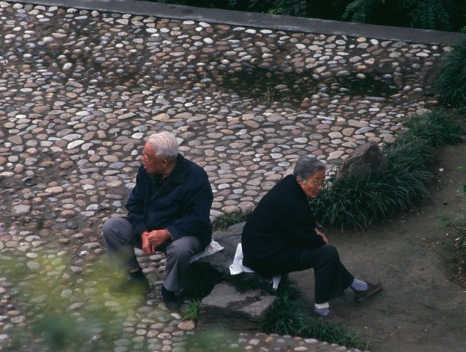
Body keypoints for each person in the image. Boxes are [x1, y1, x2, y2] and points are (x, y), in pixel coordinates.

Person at [241, 155, 381, 317]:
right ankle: (321, 308)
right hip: (264, 258)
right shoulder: (292, 203)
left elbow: (303, 224)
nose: (320, 186)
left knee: (324, 251)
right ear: (301, 180)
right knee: (327, 253)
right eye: (316, 181)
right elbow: (308, 239)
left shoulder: (289, 184)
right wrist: (319, 238)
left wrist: (314, 232)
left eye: (322, 181)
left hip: (262, 247)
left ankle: (357, 286)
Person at [102, 131, 213, 312]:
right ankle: (136, 279)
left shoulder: (196, 178)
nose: (142, 158)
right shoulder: (147, 171)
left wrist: (167, 233)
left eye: (147, 155)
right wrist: (142, 233)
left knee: (181, 249)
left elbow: (198, 218)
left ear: (164, 162)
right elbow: (135, 204)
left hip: (181, 235)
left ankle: (169, 289)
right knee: (112, 227)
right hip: (150, 230)